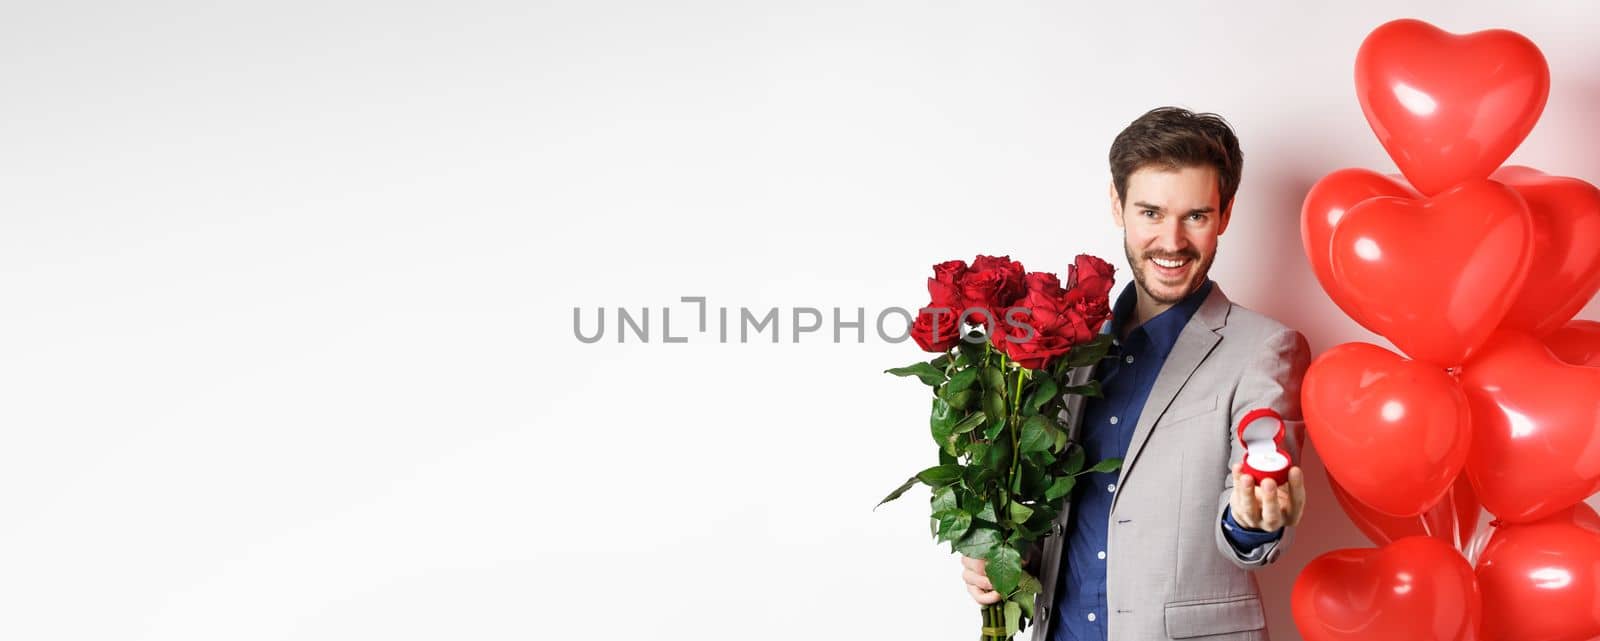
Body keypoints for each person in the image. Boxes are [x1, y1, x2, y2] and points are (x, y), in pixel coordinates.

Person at [959, 107, 1312, 641]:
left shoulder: (1265, 348)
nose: (1171, 241)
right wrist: (1002, 557)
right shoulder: (1069, 346)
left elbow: (1257, 516)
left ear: (1226, 213)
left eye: (1195, 215)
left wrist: (1253, 518)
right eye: (1151, 213)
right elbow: (1066, 519)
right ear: (1117, 205)